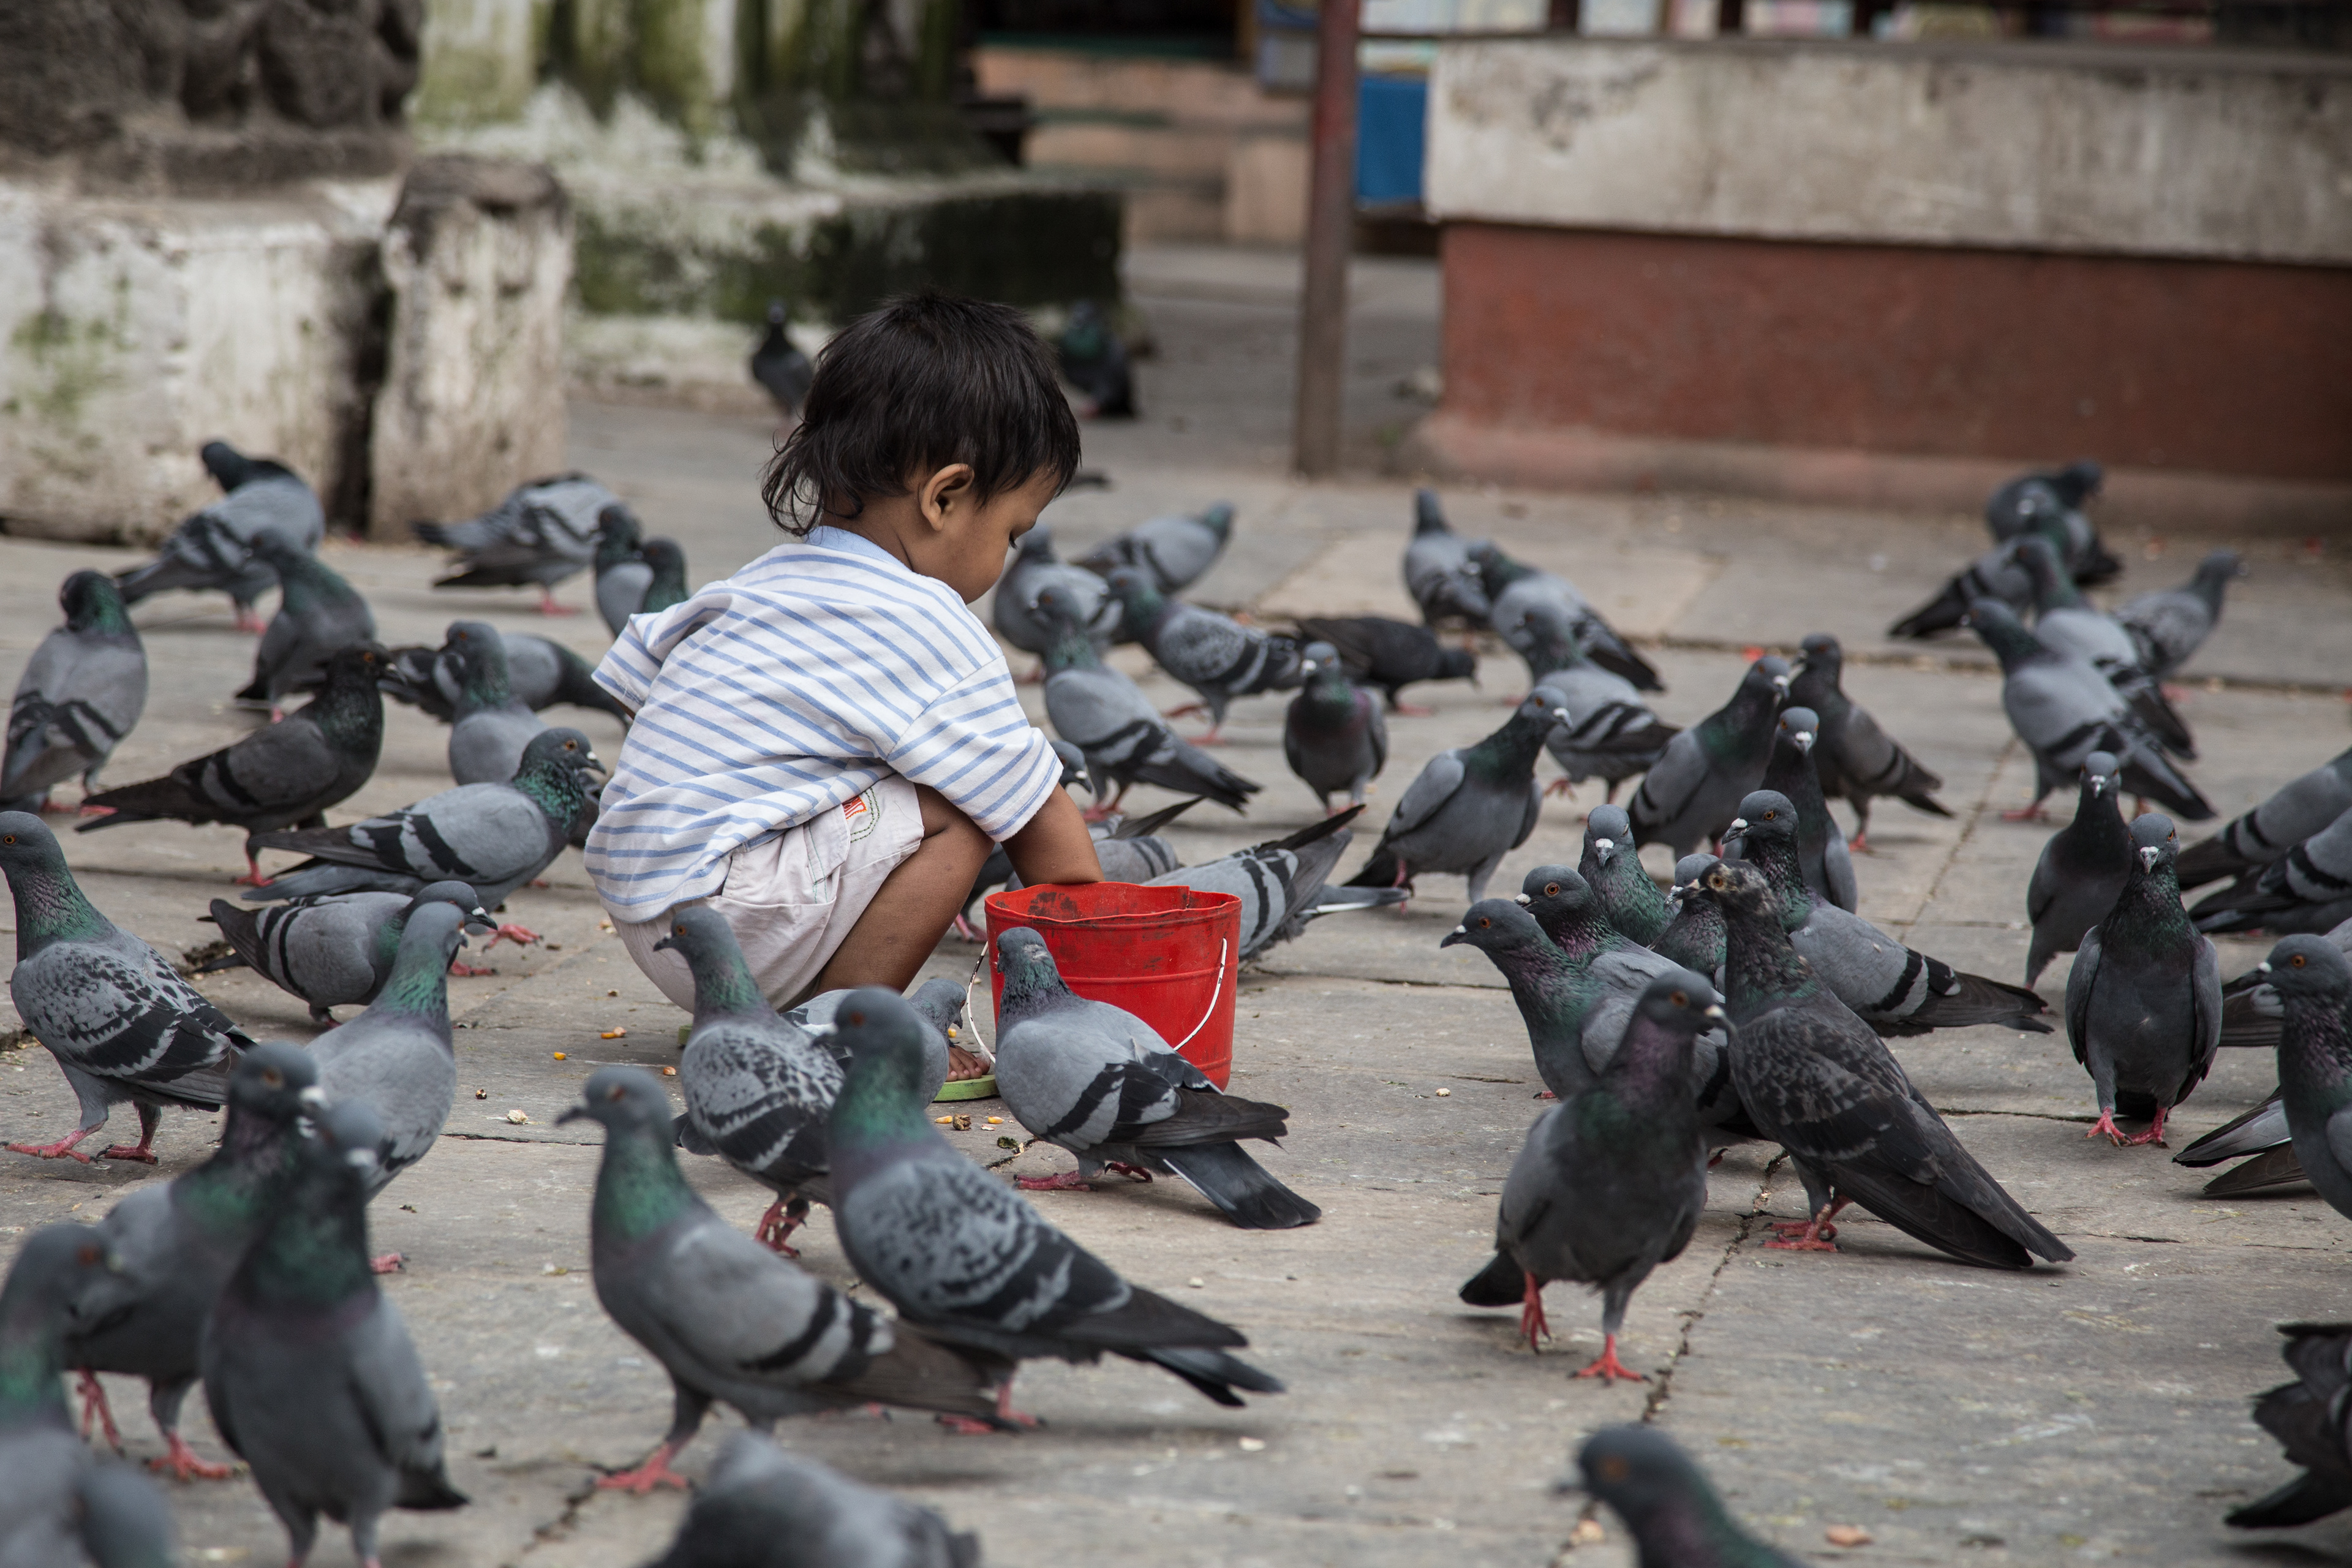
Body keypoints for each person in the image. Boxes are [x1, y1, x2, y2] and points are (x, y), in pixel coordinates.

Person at [586, 293, 1102, 1079]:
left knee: (904, 773)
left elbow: (641, 676)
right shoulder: (925, 621)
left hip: (648, 905)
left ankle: (758, 1013)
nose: (1007, 560)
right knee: (963, 808)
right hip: (739, 915)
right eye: (1012, 533)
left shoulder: (760, 581)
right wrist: (1094, 944)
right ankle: (837, 1032)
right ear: (945, 498)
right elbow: (1039, 823)